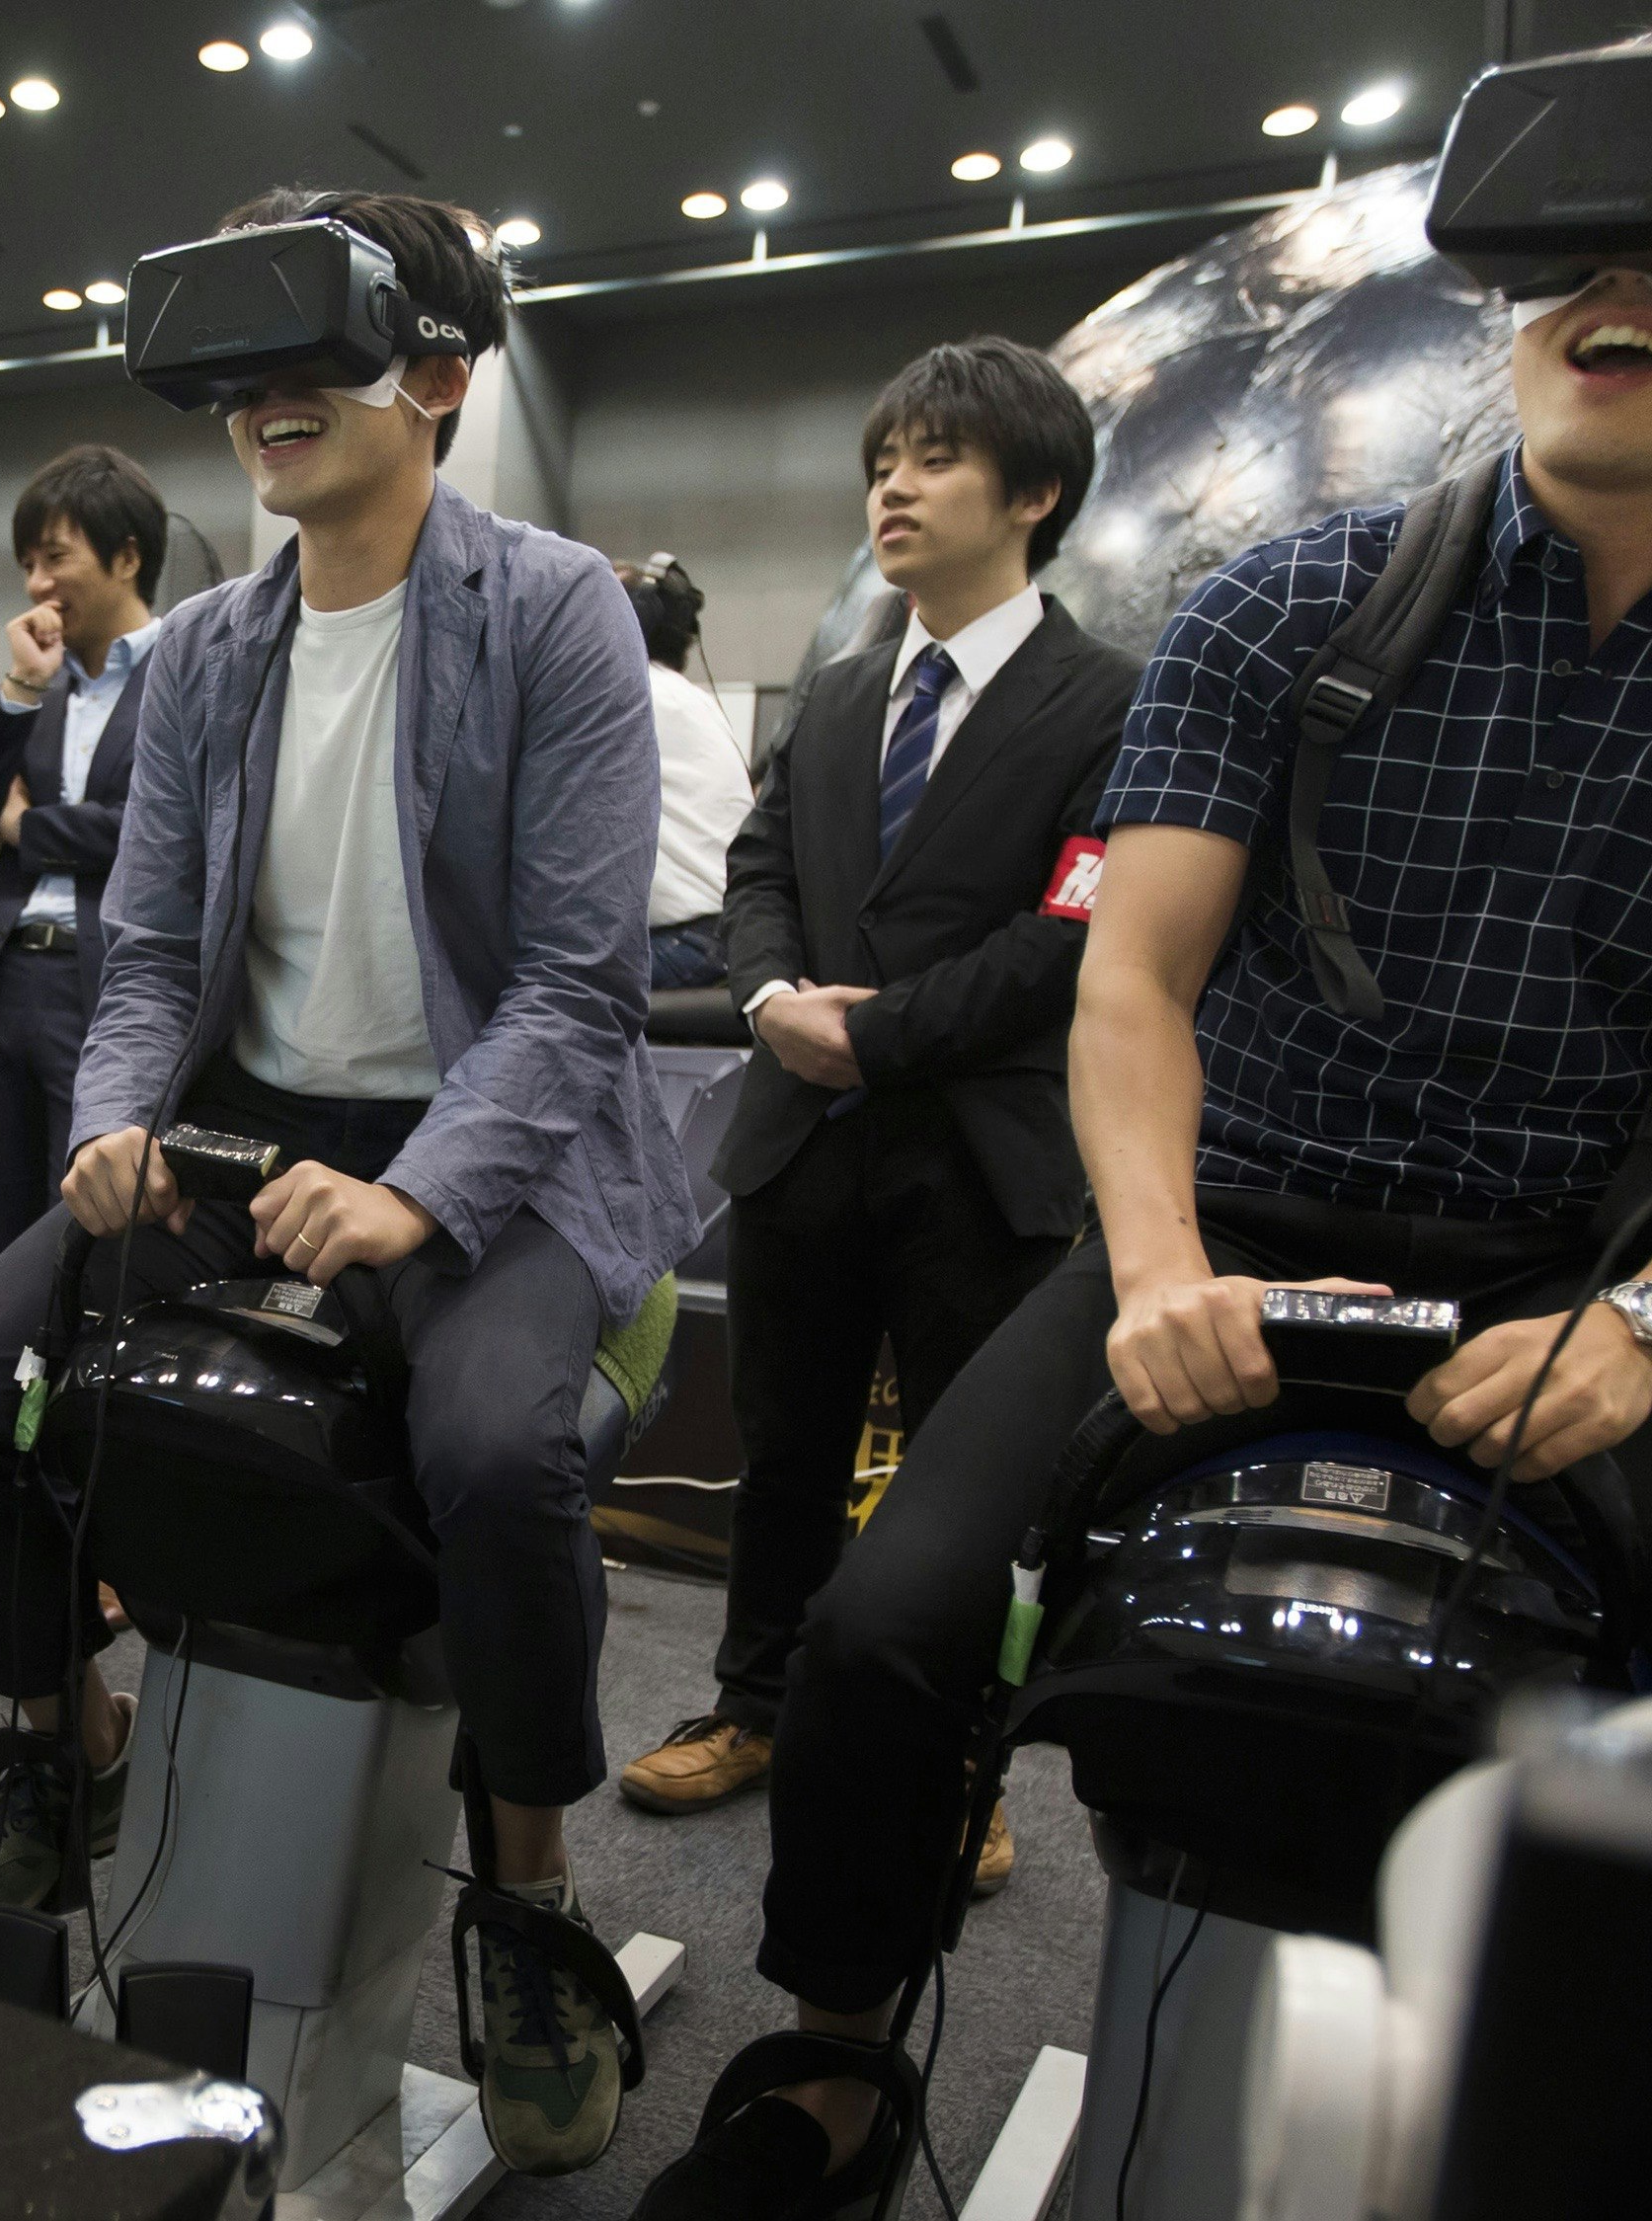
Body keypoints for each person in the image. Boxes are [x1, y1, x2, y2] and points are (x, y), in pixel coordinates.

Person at [636, 9, 1652, 2211]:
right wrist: (1161, 1258)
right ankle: (826, 2043)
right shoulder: (1285, 601)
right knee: (888, 1629)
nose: (1614, 302)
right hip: (1225, 1217)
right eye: (1578, 249)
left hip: (1599, 1269)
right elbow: (1137, 981)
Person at [0, 187, 687, 2179]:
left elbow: (583, 983)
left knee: (495, 1457)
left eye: (311, 352)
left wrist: (418, 1193)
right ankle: (70, 1746)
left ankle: (525, 1890)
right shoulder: (210, 650)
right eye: (235, 367)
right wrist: (113, 1120)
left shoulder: (553, 608)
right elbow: (147, 956)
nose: (262, 401)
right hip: (247, 1134)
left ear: (436, 373)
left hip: (494, 1141)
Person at [616, 341, 1141, 1834]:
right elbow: (757, 867)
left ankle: (951, 1763)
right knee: (781, 1448)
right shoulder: (842, 694)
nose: (891, 487)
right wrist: (775, 998)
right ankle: (752, 1707)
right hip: (802, 1136)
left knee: (972, 1487)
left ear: (1031, 493)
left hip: (979, 1148)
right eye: (881, 460)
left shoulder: (1109, 698)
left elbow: (1075, 923)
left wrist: (880, 1032)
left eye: (933, 459)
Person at [0, 444, 171, 1257]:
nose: (36, 583)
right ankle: (10, 1387)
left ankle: (70, 1386)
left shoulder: (188, 669)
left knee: (81, 1238)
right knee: (2, 1244)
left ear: (126, 555)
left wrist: (26, 829)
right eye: (27, 563)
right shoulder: (43, 681)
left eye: (55, 558)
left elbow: (153, 830)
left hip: (107, 983)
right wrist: (18, 691)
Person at [620, 554, 750, 992]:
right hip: (720, 936)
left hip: (687, 940)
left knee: (510, 986)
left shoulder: (632, 691)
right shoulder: (682, 696)